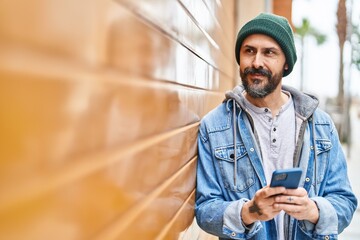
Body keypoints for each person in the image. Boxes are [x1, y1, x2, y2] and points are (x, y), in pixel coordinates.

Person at [195, 12, 357, 240]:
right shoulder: (214, 126)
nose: (256, 62)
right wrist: (250, 211)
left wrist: (312, 210)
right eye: (249, 51)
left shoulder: (321, 124)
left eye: (269, 52)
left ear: (286, 63)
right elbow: (204, 210)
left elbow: (345, 201)